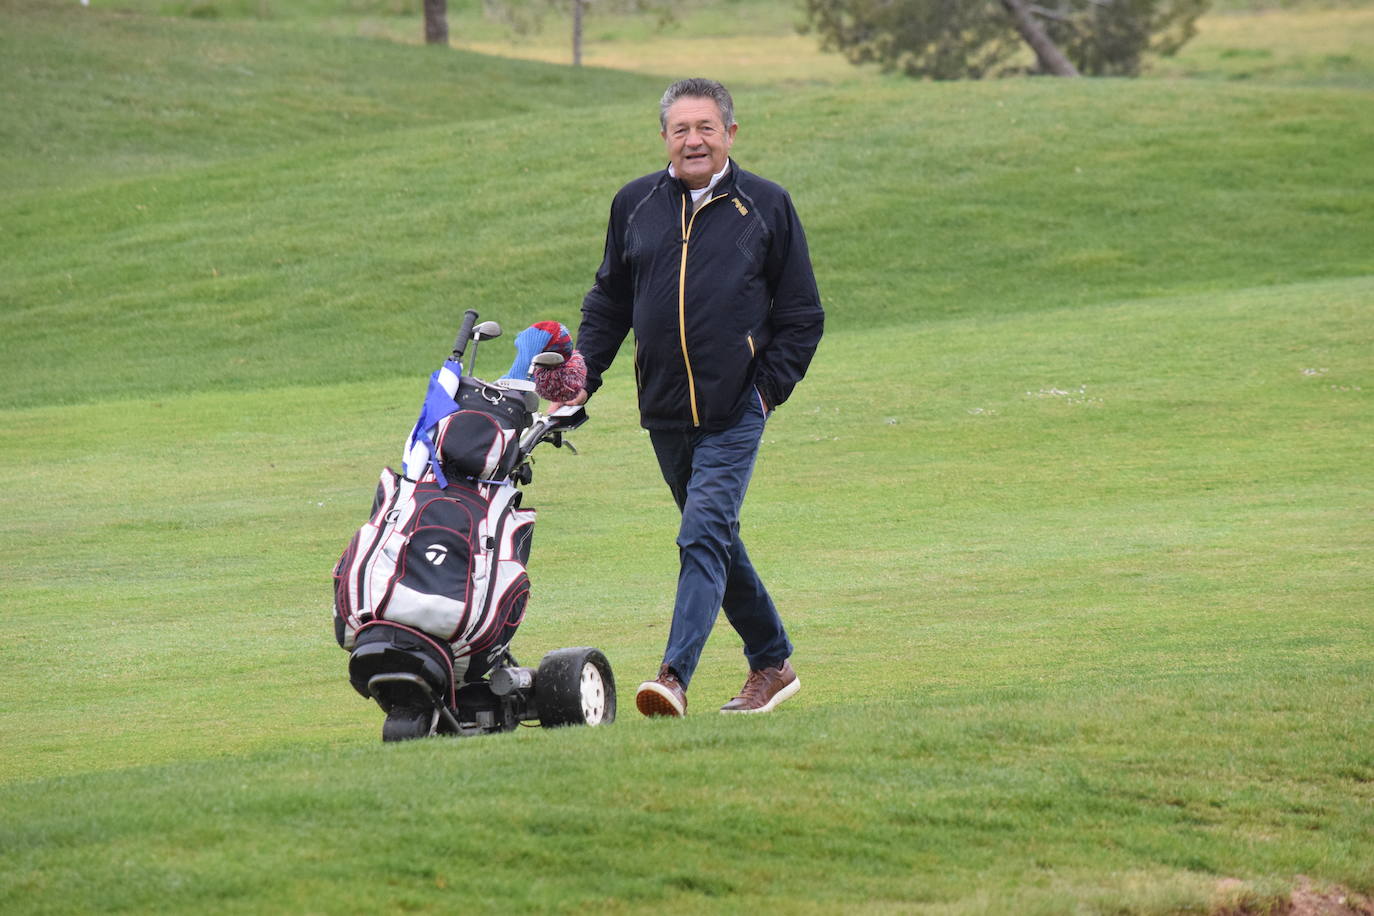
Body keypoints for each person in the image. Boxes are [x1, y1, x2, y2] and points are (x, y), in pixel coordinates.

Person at [555, 78, 824, 718]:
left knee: (701, 534)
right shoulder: (635, 204)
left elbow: (802, 315)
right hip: (665, 413)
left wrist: (765, 392)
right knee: (716, 540)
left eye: (706, 128)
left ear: (730, 133)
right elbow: (609, 303)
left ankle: (673, 677)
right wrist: (579, 380)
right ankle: (773, 661)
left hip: (736, 409)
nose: (694, 140)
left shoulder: (766, 205)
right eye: (681, 129)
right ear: (664, 138)